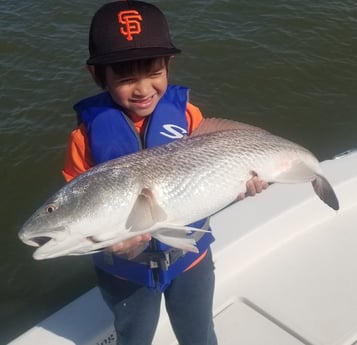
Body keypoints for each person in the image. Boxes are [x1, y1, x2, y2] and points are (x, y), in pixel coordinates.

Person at [62, 1, 267, 344]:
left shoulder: (188, 116)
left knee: (198, 333)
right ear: (96, 75)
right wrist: (112, 246)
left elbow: (219, 166)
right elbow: (78, 213)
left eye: (154, 73)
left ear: (168, 65)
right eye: (126, 78)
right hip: (125, 272)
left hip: (191, 258)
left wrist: (243, 183)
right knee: (134, 336)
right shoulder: (84, 139)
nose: (143, 89)